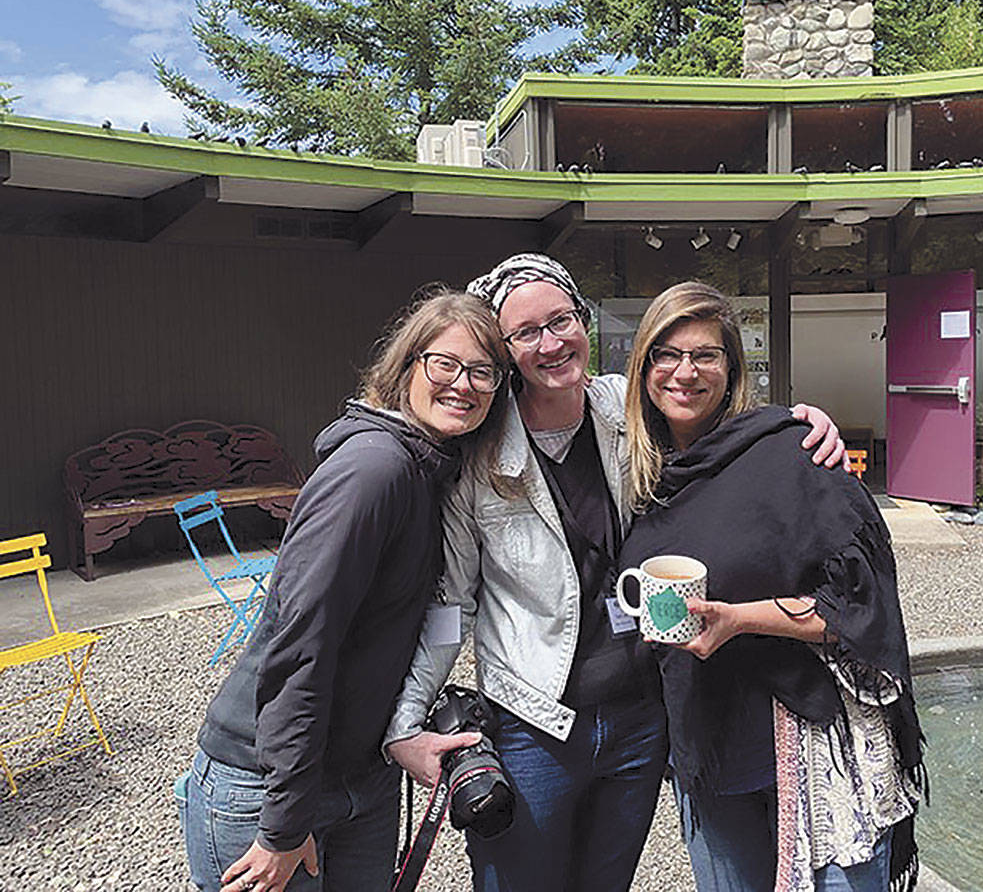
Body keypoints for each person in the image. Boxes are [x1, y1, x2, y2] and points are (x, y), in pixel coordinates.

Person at [384, 254, 848, 892]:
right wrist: (405, 721)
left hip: (639, 721)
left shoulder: (624, 412)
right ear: (504, 350)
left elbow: (710, 415)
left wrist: (794, 423)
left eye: (562, 320)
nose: (551, 343)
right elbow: (451, 605)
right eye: (526, 333)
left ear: (583, 320)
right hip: (534, 726)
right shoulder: (480, 455)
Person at [179, 288, 510, 892]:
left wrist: (400, 733)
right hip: (271, 780)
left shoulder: (432, 470)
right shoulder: (373, 472)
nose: (462, 384)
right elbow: (301, 645)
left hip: (361, 774)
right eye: (444, 363)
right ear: (407, 366)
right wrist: (284, 822)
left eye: (482, 372)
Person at [619, 281, 925, 892]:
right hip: (708, 753)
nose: (685, 372)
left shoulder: (792, 452)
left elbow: (862, 608)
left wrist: (740, 619)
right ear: (644, 367)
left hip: (813, 750)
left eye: (705, 355)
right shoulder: (639, 474)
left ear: (732, 368)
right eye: (666, 354)